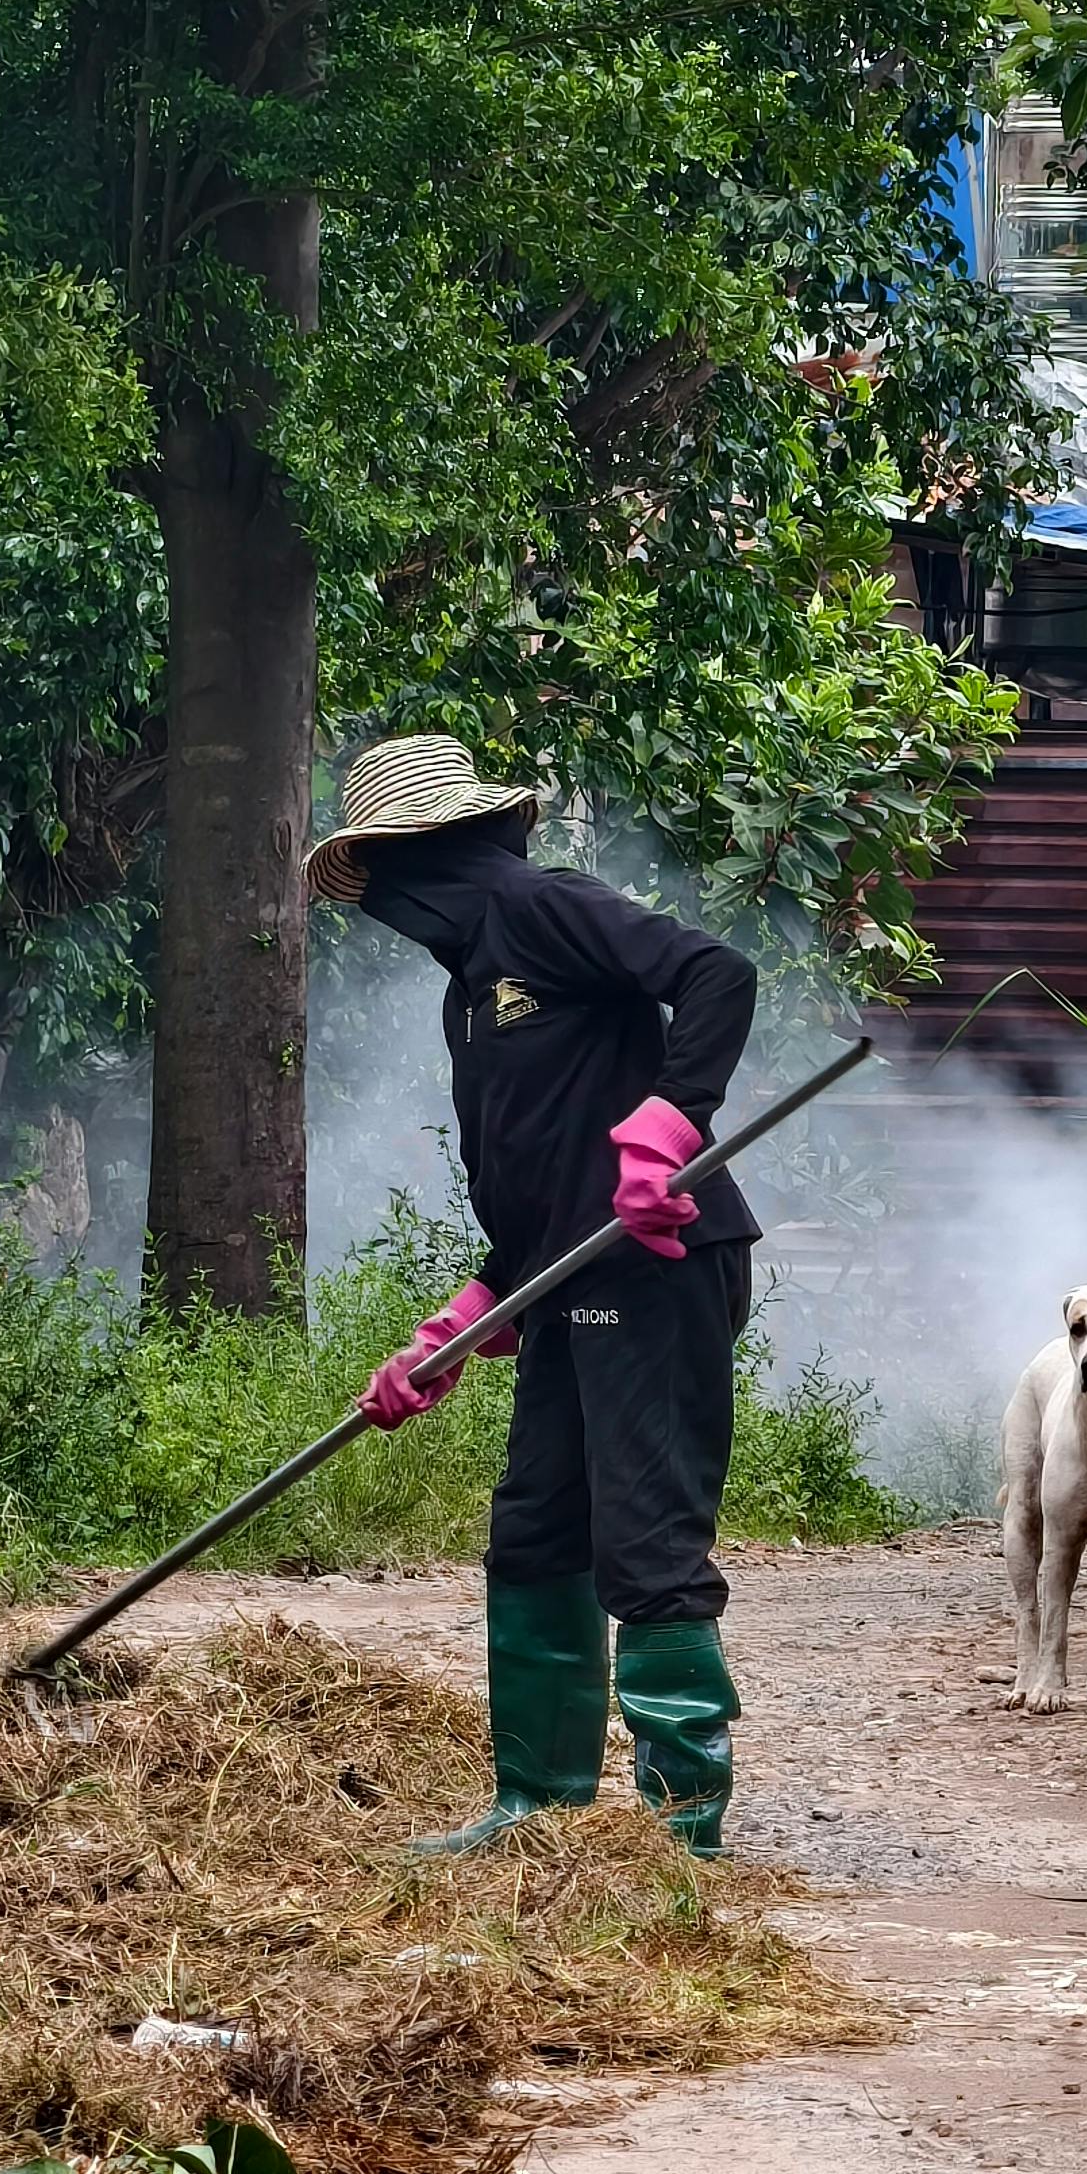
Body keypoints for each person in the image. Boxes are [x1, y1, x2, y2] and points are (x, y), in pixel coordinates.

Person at [305, 734, 760, 1857]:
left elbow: (715, 975)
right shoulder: (469, 992)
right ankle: (540, 1809)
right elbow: (542, 1198)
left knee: (644, 1543)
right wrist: (461, 1322)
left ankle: (679, 1838)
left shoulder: (539, 906)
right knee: (536, 1531)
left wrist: (667, 1125)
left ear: (424, 859)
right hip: (568, 1281)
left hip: (653, 1269)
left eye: (394, 883)